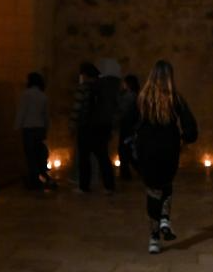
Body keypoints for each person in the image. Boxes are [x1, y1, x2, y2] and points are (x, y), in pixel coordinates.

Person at [123, 60, 198, 254]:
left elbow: (126, 121)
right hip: (169, 149)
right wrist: (184, 139)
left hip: (147, 150)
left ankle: (154, 237)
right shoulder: (176, 99)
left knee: (153, 190)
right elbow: (191, 129)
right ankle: (165, 218)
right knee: (166, 184)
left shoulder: (141, 99)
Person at [69, 62, 116, 193]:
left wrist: (72, 125)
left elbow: (77, 108)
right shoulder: (104, 88)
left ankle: (84, 186)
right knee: (103, 157)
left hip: (86, 127)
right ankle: (109, 186)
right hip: (101, 127)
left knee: (84, 158)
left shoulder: (83, 88)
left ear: (85, 74)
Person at [15, 72, 52, 190]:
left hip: (29, 128)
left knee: (30, 155)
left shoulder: (26, 95)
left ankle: (34, 180)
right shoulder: (43, 96)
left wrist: (16, 126)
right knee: (38, 154)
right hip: (40, 128)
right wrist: (46, 129)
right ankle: (41, 176)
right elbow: (46, 116)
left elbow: (22, 111)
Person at [116, 75, 140, 180]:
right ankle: (127, 174)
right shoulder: (135, 95)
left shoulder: (129, 96)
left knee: (125, 150)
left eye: (124, 83)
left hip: (128, 127)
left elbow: (122, 108)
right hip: (130, 127)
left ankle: (127, 174)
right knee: (127, 150)